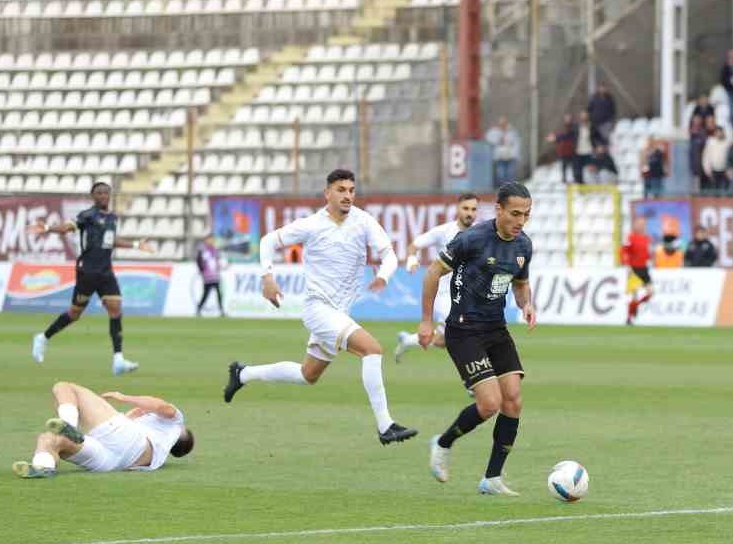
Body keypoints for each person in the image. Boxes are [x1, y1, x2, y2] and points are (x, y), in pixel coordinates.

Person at [222, 169, 416, 446]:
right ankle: (386, 426)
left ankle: (243, 373)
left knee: (308, 374)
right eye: (341, 190)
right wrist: (267, 277)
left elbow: (389, 255)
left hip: (339, 313)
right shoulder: (312, 224)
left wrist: (383, 275)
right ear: (327, 193)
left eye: (351, 190)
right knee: (372, 349)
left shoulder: (364, 221)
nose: (347, 195)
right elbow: (267, 241)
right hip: (318, 309)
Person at [418, 181, 537, 497]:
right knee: (490, 404)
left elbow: (521, 284)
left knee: (513, 399)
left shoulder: (523, 245)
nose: (520, 221)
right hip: (463, 329)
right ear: (498, 210)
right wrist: (427, 321)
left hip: (496, 329)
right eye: (515, 214)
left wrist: (527, 305)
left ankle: (492, 478)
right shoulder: (471, 239)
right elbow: (432, 273)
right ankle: (442, 443)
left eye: (526, 215)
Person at [29, 181, 157, 375]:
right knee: (74, 314)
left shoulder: (113, 218)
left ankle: (118, 359)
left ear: (110, 195)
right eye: (99, 193)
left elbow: (111, 240)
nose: (103, 195)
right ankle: (43, 338)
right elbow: (67, 228)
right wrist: (48, 227)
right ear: (93, 196)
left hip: (106, 271)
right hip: (87, 271)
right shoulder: (87, 216)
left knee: (115, 309)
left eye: (106, 192)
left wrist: (136, 245)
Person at [12, 382, 193, 479]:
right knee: (50, 439)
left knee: (64, 387)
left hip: (129, 443)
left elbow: (161, 406)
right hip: (113, 463)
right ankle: (43, 467)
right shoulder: (159, 447)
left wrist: (124, 397)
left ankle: (69, 426)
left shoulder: (176, 424)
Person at [394, 192, 479, 362]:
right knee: (464, 334)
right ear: (457, 209)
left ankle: (408, 340)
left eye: (473, 209)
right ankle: (472, 381)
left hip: (466, 295)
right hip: (444, 294)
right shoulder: (444, 231)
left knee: (442, 341)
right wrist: (411, 259)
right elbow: (414, 245)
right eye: (465, 208)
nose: (469, 213)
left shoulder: (480, 234)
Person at [620, 217, 653, 325]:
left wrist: (651, 257)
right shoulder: (630, 237)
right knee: (634, 294)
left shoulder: (647, 238)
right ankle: (629, 318)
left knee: (650, 292)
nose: (642, 226)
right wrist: (627, 266)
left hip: (644, 268)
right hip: (634, 269)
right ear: (635, 225)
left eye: (643, 224)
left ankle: (635, 307)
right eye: (639, 224)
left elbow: (647, 253)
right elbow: (624, 252)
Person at [195, 236, 224, 317]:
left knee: (218, 293)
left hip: (215, 276)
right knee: (205, 294)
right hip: (207, 276)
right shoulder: (203, 251)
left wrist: (220, 267)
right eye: (209, 240)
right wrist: (201, 271)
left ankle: (221, 310)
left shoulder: (215, 250)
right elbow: (199, 261)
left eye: (212, 240)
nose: (211, 241)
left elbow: (218, 261)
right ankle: (199, 309)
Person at [487, 116, 521, 186]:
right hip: (499, 157)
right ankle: (502, 189)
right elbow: (490, 140)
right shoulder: (494, 132)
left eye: (504, 123)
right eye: (501, 123)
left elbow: (516, 144)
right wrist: (499, 138)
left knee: (510, 175)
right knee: (500, 175)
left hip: (510, 157)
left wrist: (515, 155)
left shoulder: (512, 132)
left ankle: (510, 190)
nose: (503, 125)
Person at [702, 126, 730, 192]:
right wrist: (707, 170)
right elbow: (706, 156)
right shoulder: (710, 141)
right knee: (714, 191)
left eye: (721, 132)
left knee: (725, 191)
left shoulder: (727, 142)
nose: (719, 134)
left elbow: (729, 157)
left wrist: (728, 169)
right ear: (715, 133)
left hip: (724, 171)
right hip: (713, 170)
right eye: (717, 132)